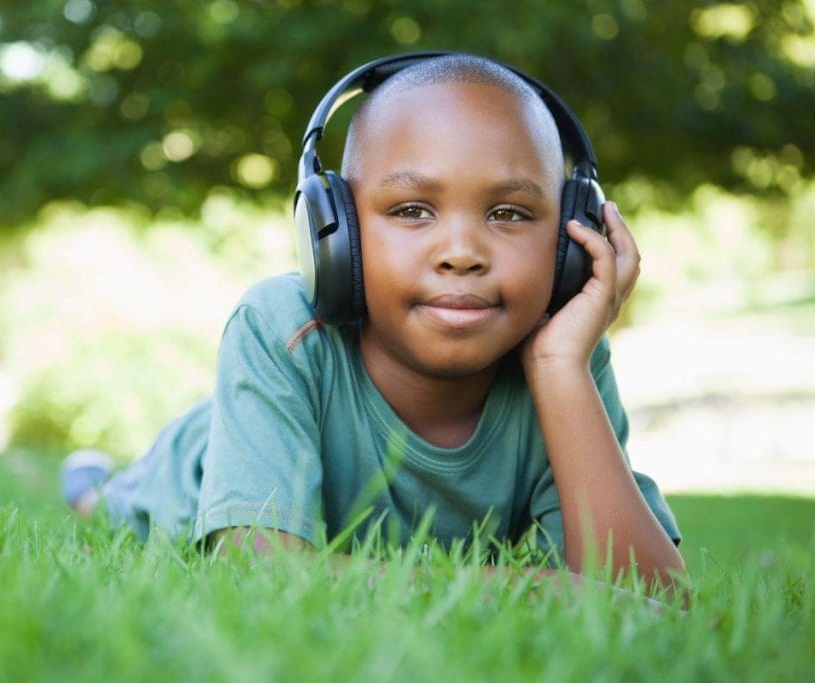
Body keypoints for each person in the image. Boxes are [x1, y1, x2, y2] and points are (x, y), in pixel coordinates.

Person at [61, 52, 684, 590]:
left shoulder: (561, 355)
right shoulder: (278, 328)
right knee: (110, 509)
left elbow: (648, 595)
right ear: (337, 233)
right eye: (413, 210)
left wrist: (559, 368)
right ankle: (89, 484)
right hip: (193, 465)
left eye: (510, 214)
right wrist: (541, 590)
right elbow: (262, 573)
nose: (462, 252)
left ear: (571, 242)